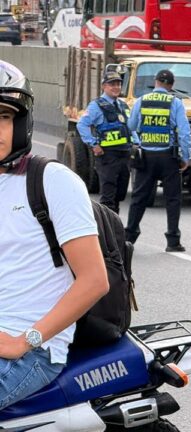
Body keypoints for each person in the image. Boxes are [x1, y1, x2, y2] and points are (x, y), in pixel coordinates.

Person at [0, 60, 109, 409]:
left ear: (21, 122)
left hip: (28, 352)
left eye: (3, 116)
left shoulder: (51, 181)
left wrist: (25, 340)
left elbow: (94, 280)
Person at [125, 69, 191, 252]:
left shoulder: (142, 100)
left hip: (146, 157)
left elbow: (131, 126)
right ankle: (173, 240)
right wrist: (185, 157)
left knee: (139, 198)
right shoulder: (175, 103)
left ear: (155, 82)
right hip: (168, 157)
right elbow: (184, 132)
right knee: (173, 199)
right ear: (171, 85)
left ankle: (129, 237)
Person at [76, 69, 137, 214]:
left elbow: (130, 127)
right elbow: (82, 124)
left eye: (118, 84)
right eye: (112, 84)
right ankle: (107, 229)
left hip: (124, 154)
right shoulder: (97, 105)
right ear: (104, 86)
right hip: (107, 155)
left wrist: (137, 142)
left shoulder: (122, 106)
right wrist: (93, 144)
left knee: (120, 193)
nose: (116, 87)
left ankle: (114, 224)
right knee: (108, 194)